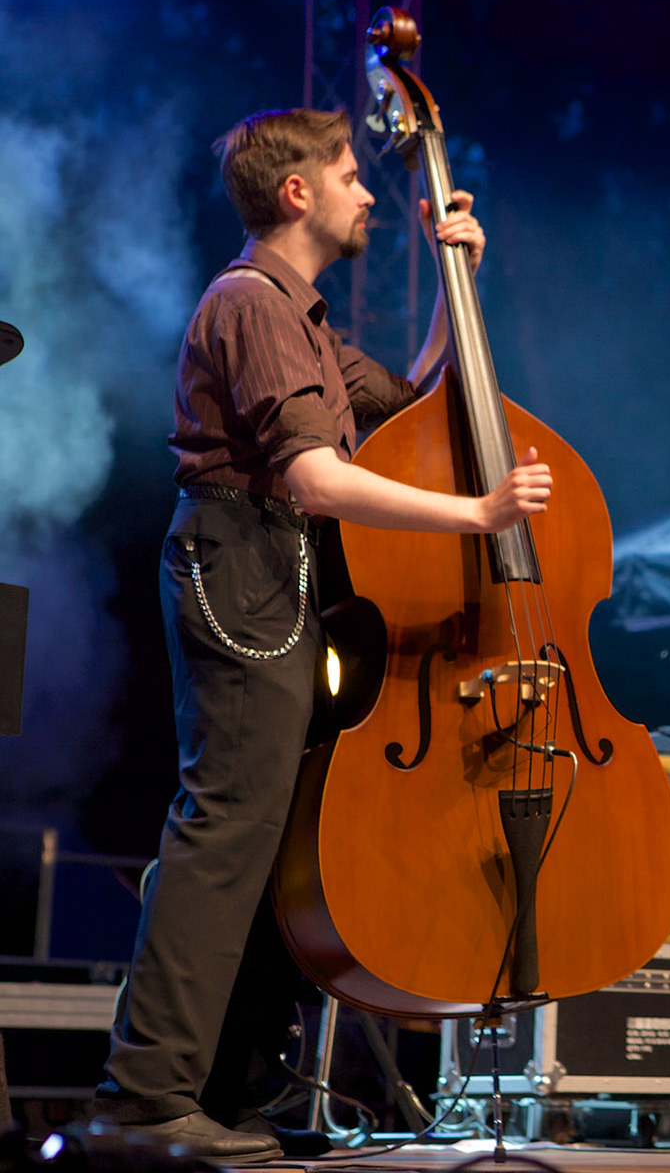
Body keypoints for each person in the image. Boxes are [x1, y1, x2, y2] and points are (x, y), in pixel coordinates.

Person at [94, 108, 551, 1163]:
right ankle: (145, 1095)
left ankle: (227, 1091)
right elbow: (312, 476)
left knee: (265, 840)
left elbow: (405, 411)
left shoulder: (300, 317)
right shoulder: (249, 304)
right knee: (224, 831)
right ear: (295, 192)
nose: (367, 193)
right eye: (350, 174)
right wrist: (480, 518)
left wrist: (455, 283)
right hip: (241, 558)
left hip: (275, 568)